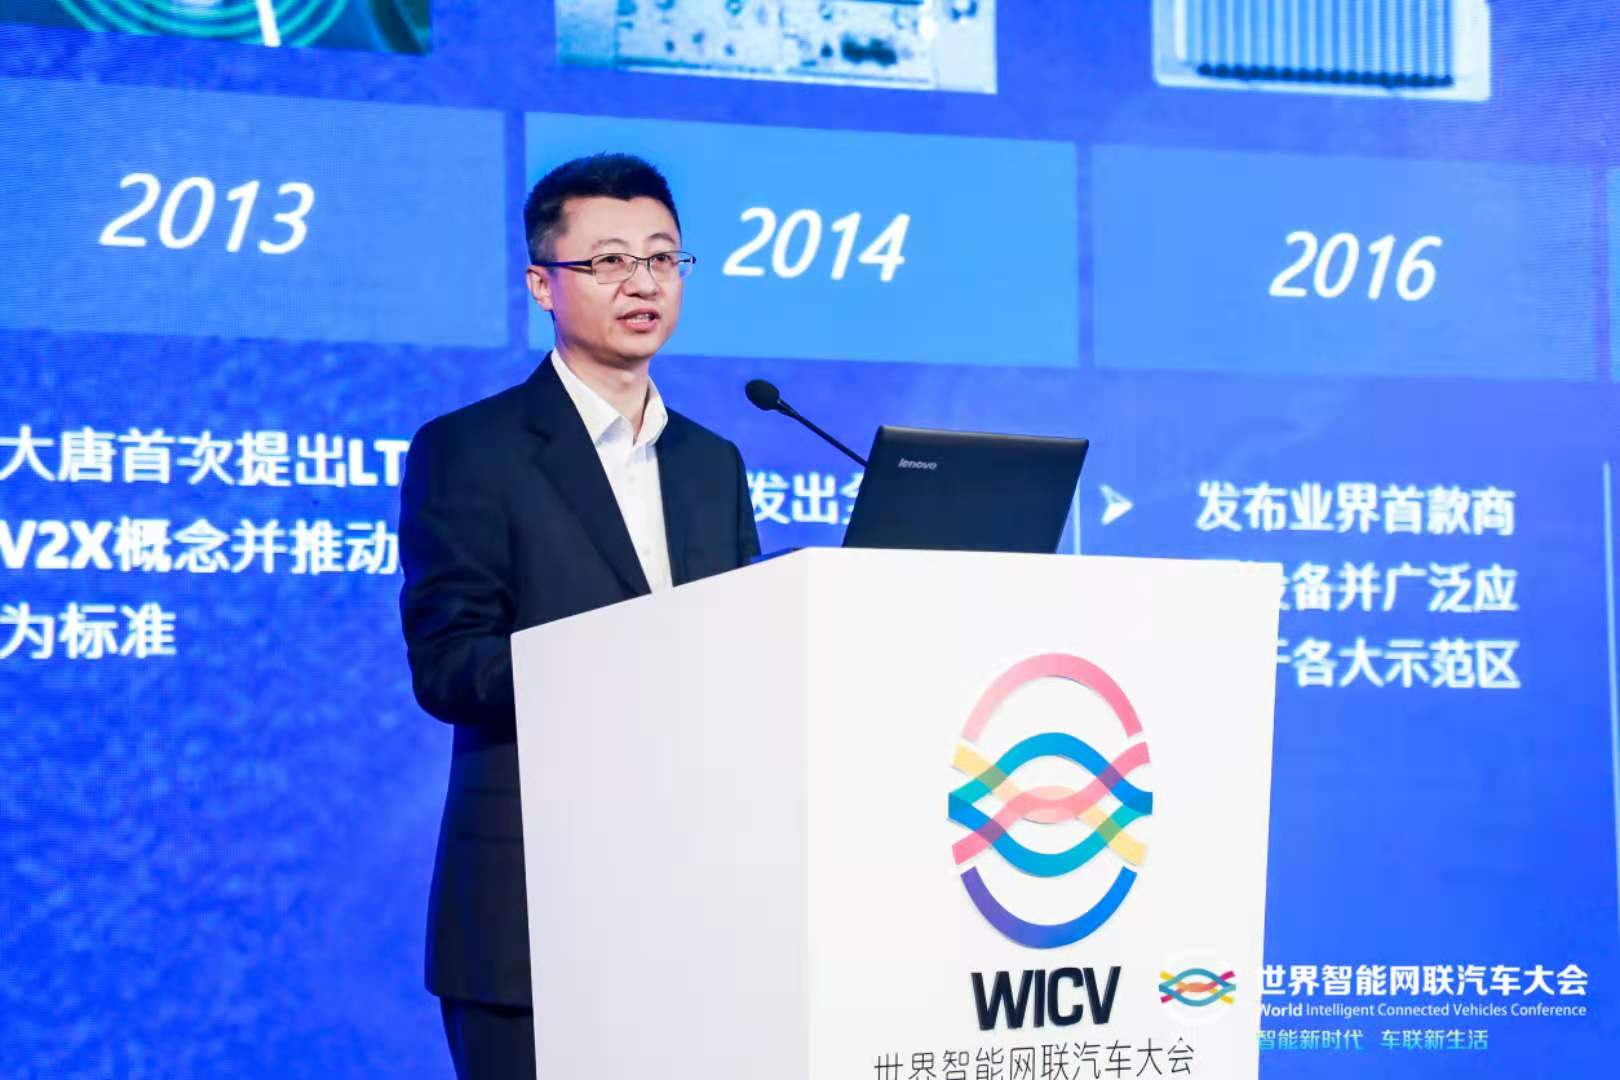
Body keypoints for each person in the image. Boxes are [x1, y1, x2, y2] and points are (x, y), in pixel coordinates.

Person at [398, 153, 761, 1079]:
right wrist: (620, 661)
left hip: (698, 914)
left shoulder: (711, 463)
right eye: (608, 261)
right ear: (541, 285)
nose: (643, 282)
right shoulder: (471, 449)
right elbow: (449, 665)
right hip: (531, 913)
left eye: (663, 258)